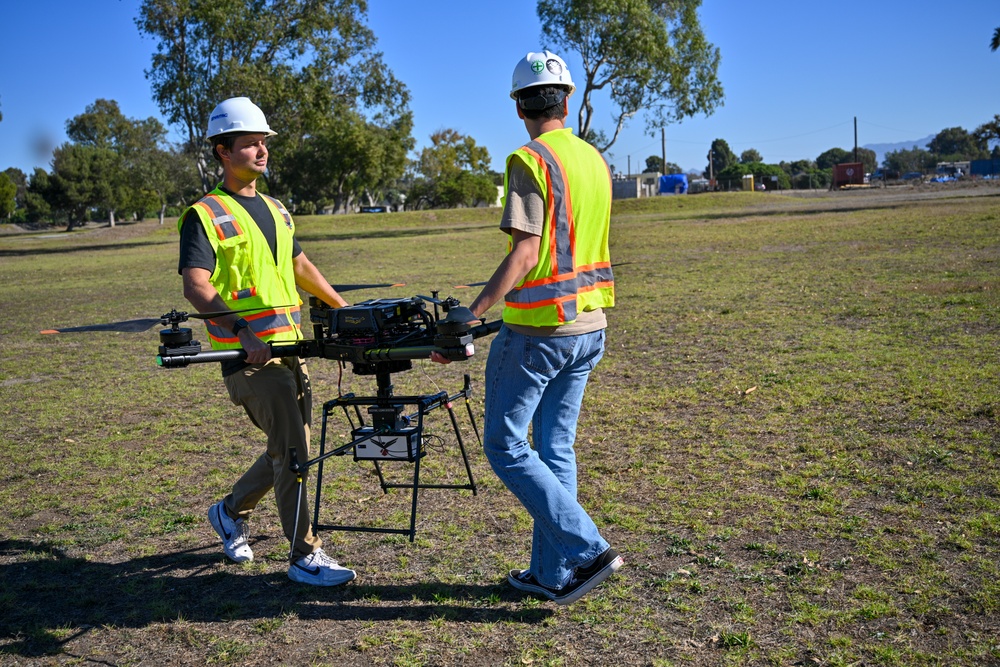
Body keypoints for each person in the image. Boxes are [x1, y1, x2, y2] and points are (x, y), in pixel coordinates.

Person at [434, 51, 622, 604]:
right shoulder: (593, 160)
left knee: (504, 444)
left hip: (539, 330)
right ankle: (551, 575)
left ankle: (587, 549)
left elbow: (526, 250)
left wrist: (472, 314)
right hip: (589, 326)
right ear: (566, 99)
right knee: (554, 448)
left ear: (520, 107)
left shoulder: (529, 159)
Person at [178, 96, 355, 586]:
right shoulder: (205, 214)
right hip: (248, 358)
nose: (261, 150)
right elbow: (197, 284)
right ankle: (304, 555)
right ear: (222, 151)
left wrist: (345, 311)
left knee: (290, 447)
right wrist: (241, 330)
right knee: (294, 452)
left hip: (291, 351)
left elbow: (299, 267)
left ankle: (230, 511)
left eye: (263, 141)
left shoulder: (276, 209)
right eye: (249, 142)